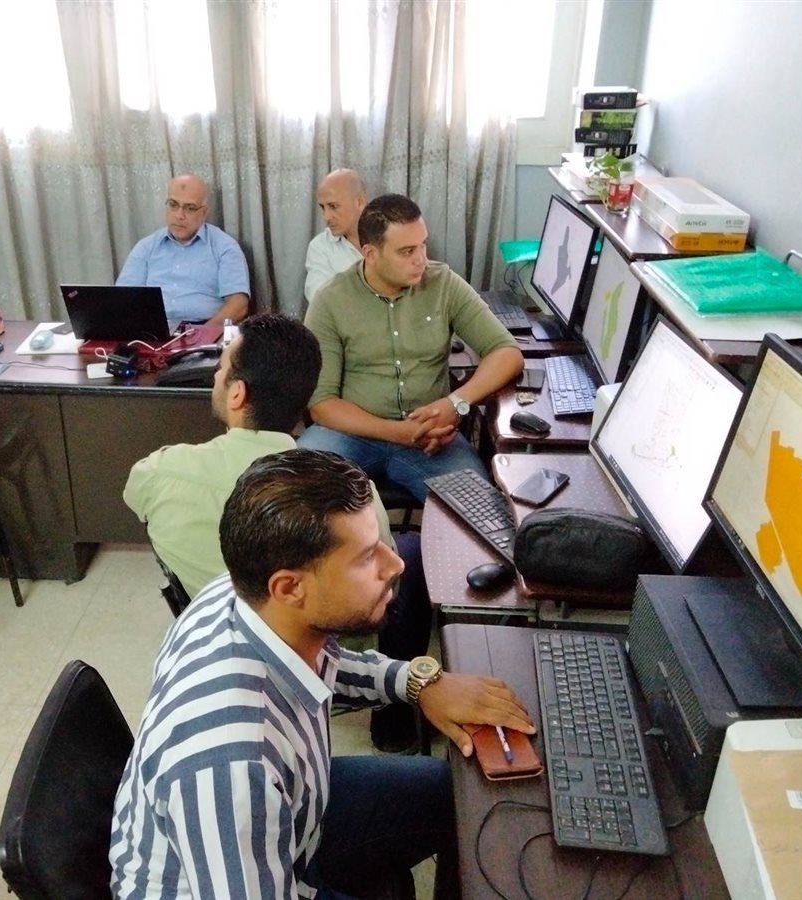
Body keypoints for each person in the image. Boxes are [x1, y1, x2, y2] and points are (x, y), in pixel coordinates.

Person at [110, 448, 536, 900]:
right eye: (367, 557)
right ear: (290, 587)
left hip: (295, 819)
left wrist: (418, 683)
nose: (396, 566)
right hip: (241, 878)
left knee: (454, 793)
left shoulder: (244, 594)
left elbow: (325, 664)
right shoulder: (232, 766)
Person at [123, 313, 432, 752]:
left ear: (237, 393)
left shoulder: (159, 473)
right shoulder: (346, 495)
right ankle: (394, 725)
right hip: (325, 648)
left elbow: (136, 499)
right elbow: (381, 587)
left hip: (230, 640)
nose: (215, 376)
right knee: (411, 553)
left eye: (220, 369)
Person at [299, 194, 524, 502]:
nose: (421, 259)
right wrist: (399, 432)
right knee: (294, 498)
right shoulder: (331, 299)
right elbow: (322, 404)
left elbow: (506, 352)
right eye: (407, 251)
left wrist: (456, 403)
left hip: (432, 438)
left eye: (423, 245)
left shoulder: (443, 283)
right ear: (370, 254)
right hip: (349, 435)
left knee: (479, 511)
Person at [116, 174, 250, 330]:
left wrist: (203, 334)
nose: (179, 215)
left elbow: (238, 305)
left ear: (204, 213)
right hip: (152, 331)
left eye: (190, 208)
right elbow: (123, 299)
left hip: (204, 328)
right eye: (173, 205)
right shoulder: (146, 247)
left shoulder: (224, 247)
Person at [304, 168, 366, 303]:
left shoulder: (390, 236)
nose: (326, 217)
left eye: (333, 206)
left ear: (359, 202)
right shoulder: (320, 247)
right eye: (322, 207)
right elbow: (319, 300)